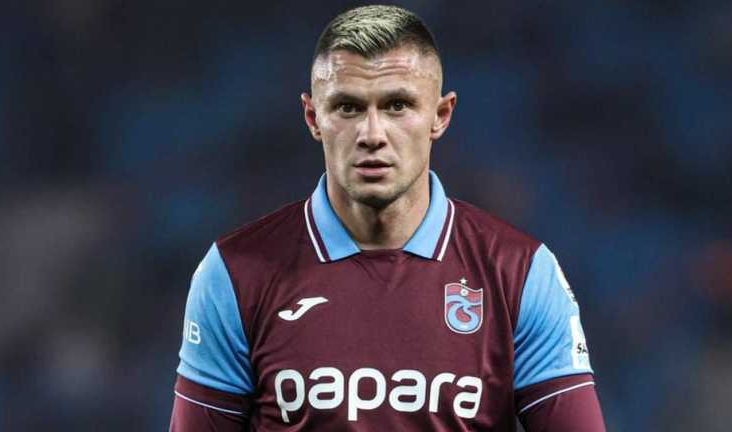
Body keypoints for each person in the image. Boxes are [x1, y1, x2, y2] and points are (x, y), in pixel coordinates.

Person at [169, 5, 605, 431]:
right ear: (313, 117)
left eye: (397, 105)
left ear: (440, 116)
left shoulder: (520, 273)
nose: (372, 134)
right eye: (348, 107)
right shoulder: (234, 273)